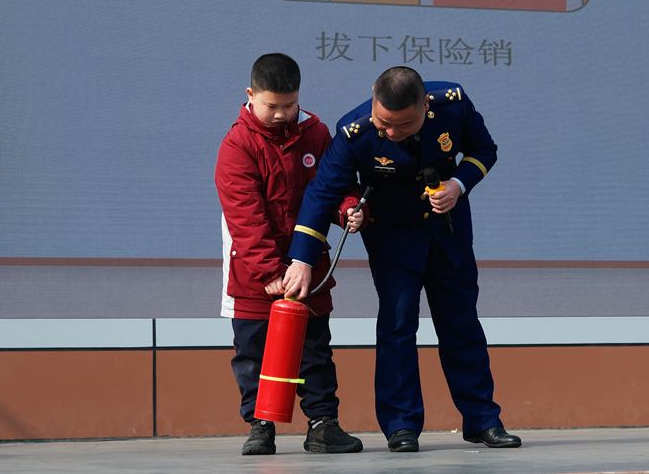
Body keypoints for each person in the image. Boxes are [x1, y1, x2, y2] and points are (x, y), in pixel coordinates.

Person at [283, 66, 521, 452]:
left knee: (462, 325)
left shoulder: (453, 104)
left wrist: (457, 185)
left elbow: (483, 150)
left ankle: (483, 420)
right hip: (393, 239)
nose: (392, 132)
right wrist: (302, 260)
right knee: (397, 328)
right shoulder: (353, 131)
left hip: (448, 234)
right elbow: (322, 192)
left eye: (404, 125)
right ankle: (401, 426)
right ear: (373, 99)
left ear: (425, 105)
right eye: (384, 123)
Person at [215, 53, 367, 455]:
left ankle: (322, 425)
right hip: (255, 276)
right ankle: (260, 426)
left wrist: (349, 209)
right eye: (272, 106)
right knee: (253, 354)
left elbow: (335, 185)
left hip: (310, 270)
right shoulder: (237, 145)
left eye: (290, 104)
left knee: (315, 351)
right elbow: (244, 218)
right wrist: (269, 272)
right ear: (250, 96)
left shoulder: (317, 134)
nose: (282, 114)